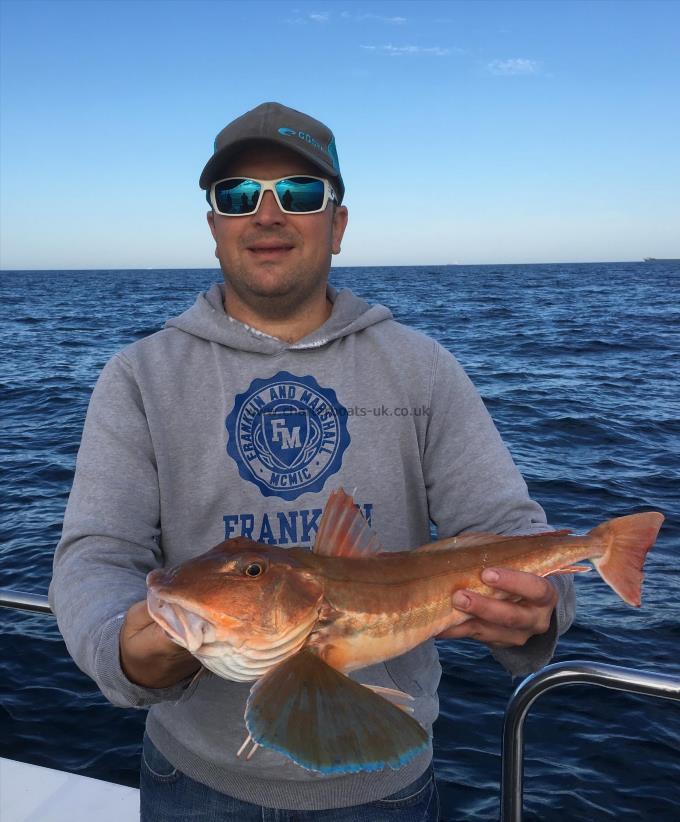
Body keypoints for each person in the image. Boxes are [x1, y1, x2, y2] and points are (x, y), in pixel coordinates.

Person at [50, 102, 574, 821]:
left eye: (299, 193)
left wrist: (540, 617)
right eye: (238, 197)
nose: (267, 215)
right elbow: (94, 554)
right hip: (193, 783)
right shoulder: (138, 377)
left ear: (339, 224)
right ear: (214, 228)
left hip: (383, 789)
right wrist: (123, 648)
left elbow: (505, 526)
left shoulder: (422, 370)